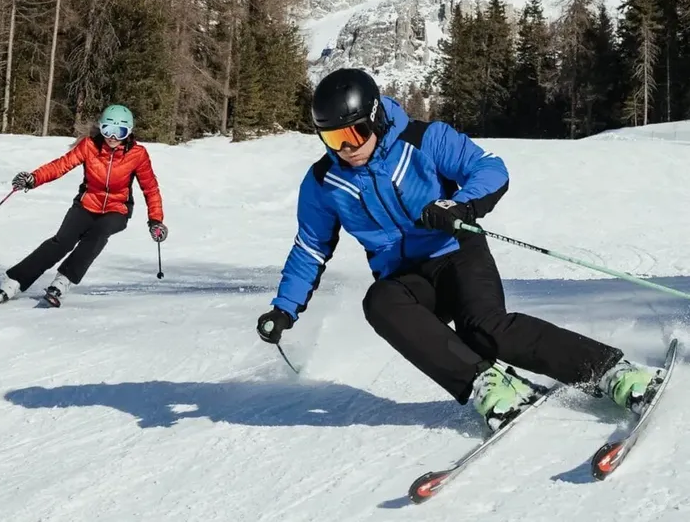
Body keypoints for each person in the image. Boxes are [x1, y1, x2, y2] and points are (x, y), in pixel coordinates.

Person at [257, 68, 661, 431]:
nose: (347, 149)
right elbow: (310, 247)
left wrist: (459, 204)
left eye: (354, 134)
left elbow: (489, 168)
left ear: (377, 117)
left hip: (456, 251)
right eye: (333, 139)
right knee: (380, 302)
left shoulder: (424, 139)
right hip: (407, 277)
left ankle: (614, 372)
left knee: (485, 329)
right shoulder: (324, 182)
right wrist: (284, 307)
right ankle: (488, 384)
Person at [0, 104, 167, 309]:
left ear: (129, 132)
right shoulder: (89, 146)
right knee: (62, 241)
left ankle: (63, 280)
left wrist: (155, 221)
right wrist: (33, 179)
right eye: (108, 129)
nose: (113, 137)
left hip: (117, 209)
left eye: (120, 131)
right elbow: (61, 165)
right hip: (86, 204)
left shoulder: (138, 154)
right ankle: (14, 282)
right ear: (101, 127)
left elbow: (150, 189)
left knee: (98, 233)